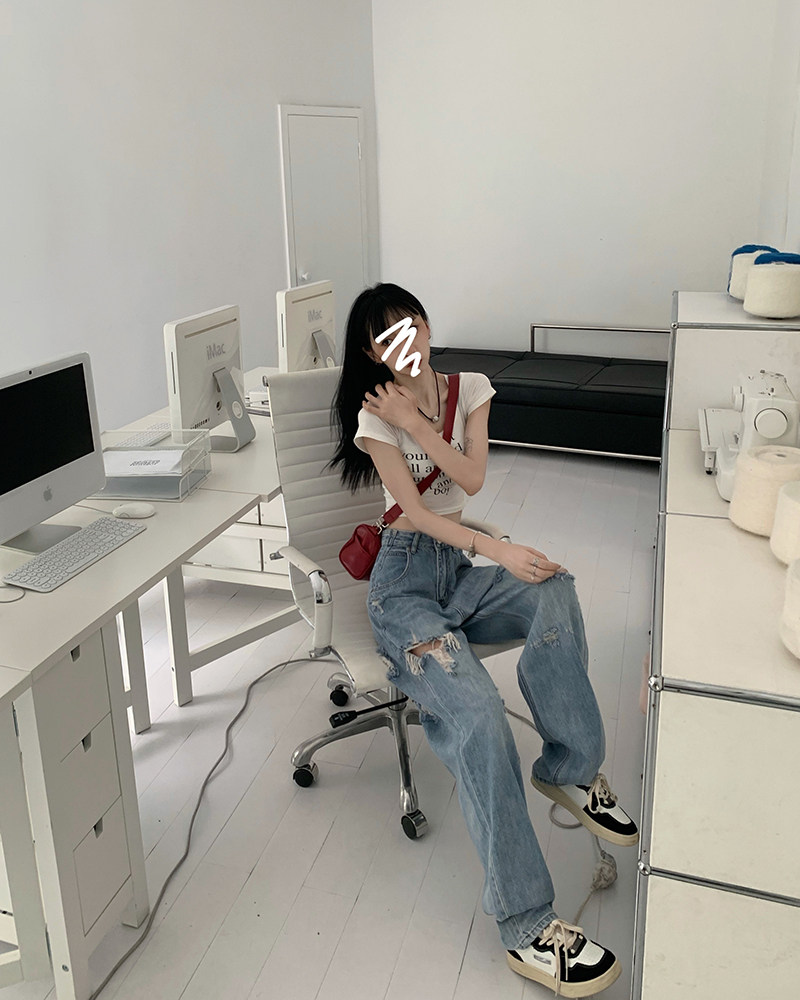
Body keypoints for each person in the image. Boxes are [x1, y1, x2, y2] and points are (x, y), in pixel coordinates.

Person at [327, 282, 638, 997]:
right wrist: (499, 548)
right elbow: (416, 513)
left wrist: (418, 419)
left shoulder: (470, 389)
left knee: (554, 586)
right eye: (385, 337)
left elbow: (469, 475)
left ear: (425, 325)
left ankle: (569, 768)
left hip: (458, 574)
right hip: (404, 591)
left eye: (410, 323)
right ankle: (526, 925)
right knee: (479, 715)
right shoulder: (374, 419)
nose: (404, 341)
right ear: (372, 352)